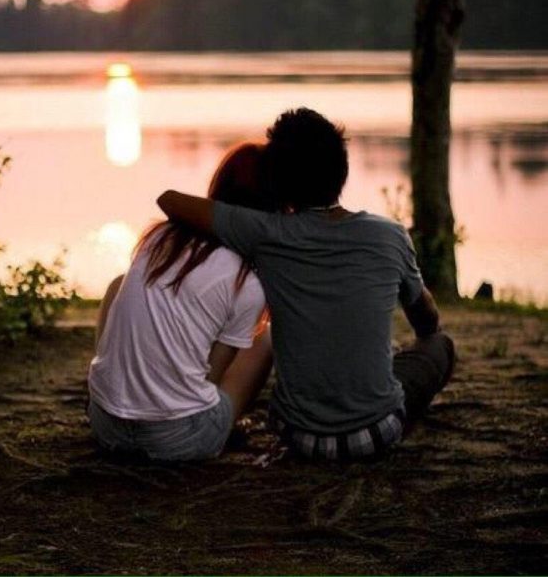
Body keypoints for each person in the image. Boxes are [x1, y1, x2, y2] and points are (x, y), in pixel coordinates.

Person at [157, 107, 455, 461]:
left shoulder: (265, 233)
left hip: (298, 438)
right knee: (439, 345)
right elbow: (427, 319)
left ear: (279, 183)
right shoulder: (389, 236)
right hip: (375, 434)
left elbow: (169, 201)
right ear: (342, 171)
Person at [88, 143, 276, 462]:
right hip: (179, 442)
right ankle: (223, 424)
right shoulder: (247, 280)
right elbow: (211, 376)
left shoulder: (160, 238)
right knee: (265, 338)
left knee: (119, 284)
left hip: (106, 427)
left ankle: (117, 389)